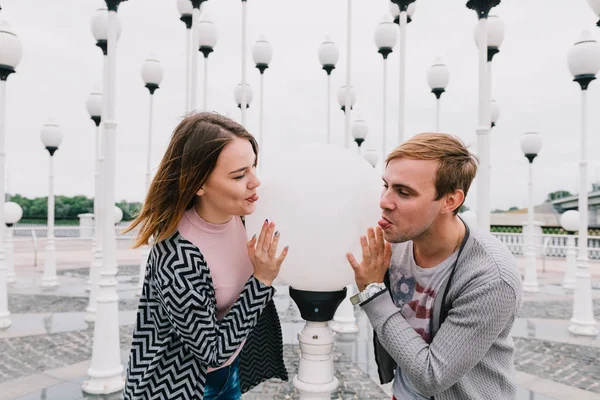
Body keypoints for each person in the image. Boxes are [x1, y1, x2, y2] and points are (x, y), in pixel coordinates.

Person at [122, 112, 289, 400]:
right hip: (179, 385)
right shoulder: (176, 255)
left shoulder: (247, 218)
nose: (255, 182)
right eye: (239, 175)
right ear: (198, 184)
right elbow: (212, 352)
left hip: (229, 374)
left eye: (253, 167)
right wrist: (261, 280)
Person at [346, 133, 523, 400]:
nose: (384, 201)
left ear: (451, 201)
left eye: (404, 192)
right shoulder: (395, 239)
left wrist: (372, 294)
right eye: (386, 186)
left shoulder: (491, 277)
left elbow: (432, 377)